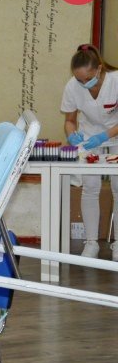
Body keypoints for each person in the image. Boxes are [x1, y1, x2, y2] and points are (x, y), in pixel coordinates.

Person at [61, 44, 118, 261]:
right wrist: (71, 135)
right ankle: (91, 242)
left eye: (88, 79)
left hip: (115, 136)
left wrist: (105, 136)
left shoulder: (115, 81)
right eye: (79, 80)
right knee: (90, 187)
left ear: (99, 69)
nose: (84, 84)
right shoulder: (72, 86)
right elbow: (69, 120)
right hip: (88, 137)